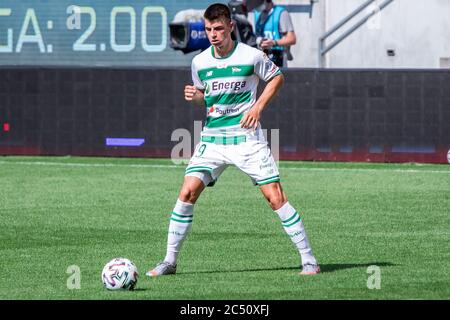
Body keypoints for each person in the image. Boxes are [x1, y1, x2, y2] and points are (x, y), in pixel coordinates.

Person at [146, 3, 319, 277]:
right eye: (208, 29)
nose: (213, 34)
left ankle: (309, 260)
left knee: (274, 197)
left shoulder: (251, 56)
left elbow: (276, 78)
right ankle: (169, 261)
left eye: (217, 29)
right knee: (187, 192)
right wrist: (196, 96)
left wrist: (258, 107)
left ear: (230, 27)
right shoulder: (199, 62)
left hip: (246, 138)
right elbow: (206, 98)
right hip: (212, 139)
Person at [253, 0, 296, 67]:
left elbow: (292, 39)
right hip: (262, 57)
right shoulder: (257, 13)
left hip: (278, 57)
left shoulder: (281, 13)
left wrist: (274, 43)